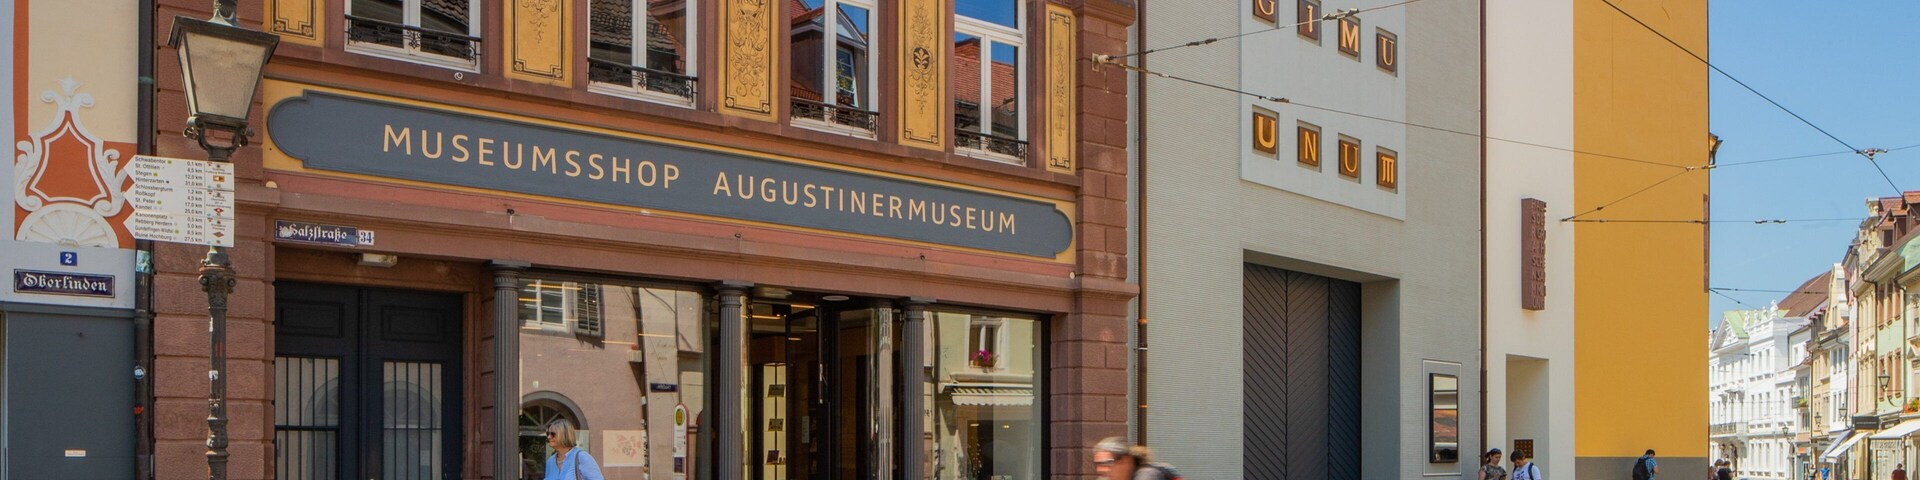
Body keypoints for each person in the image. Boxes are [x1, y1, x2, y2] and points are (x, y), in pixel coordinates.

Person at [1093, 437, 1179, 480]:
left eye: (1107, 463)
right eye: (1098, 464)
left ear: (1126, 461)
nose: (1100, 469)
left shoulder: (1147, 475)